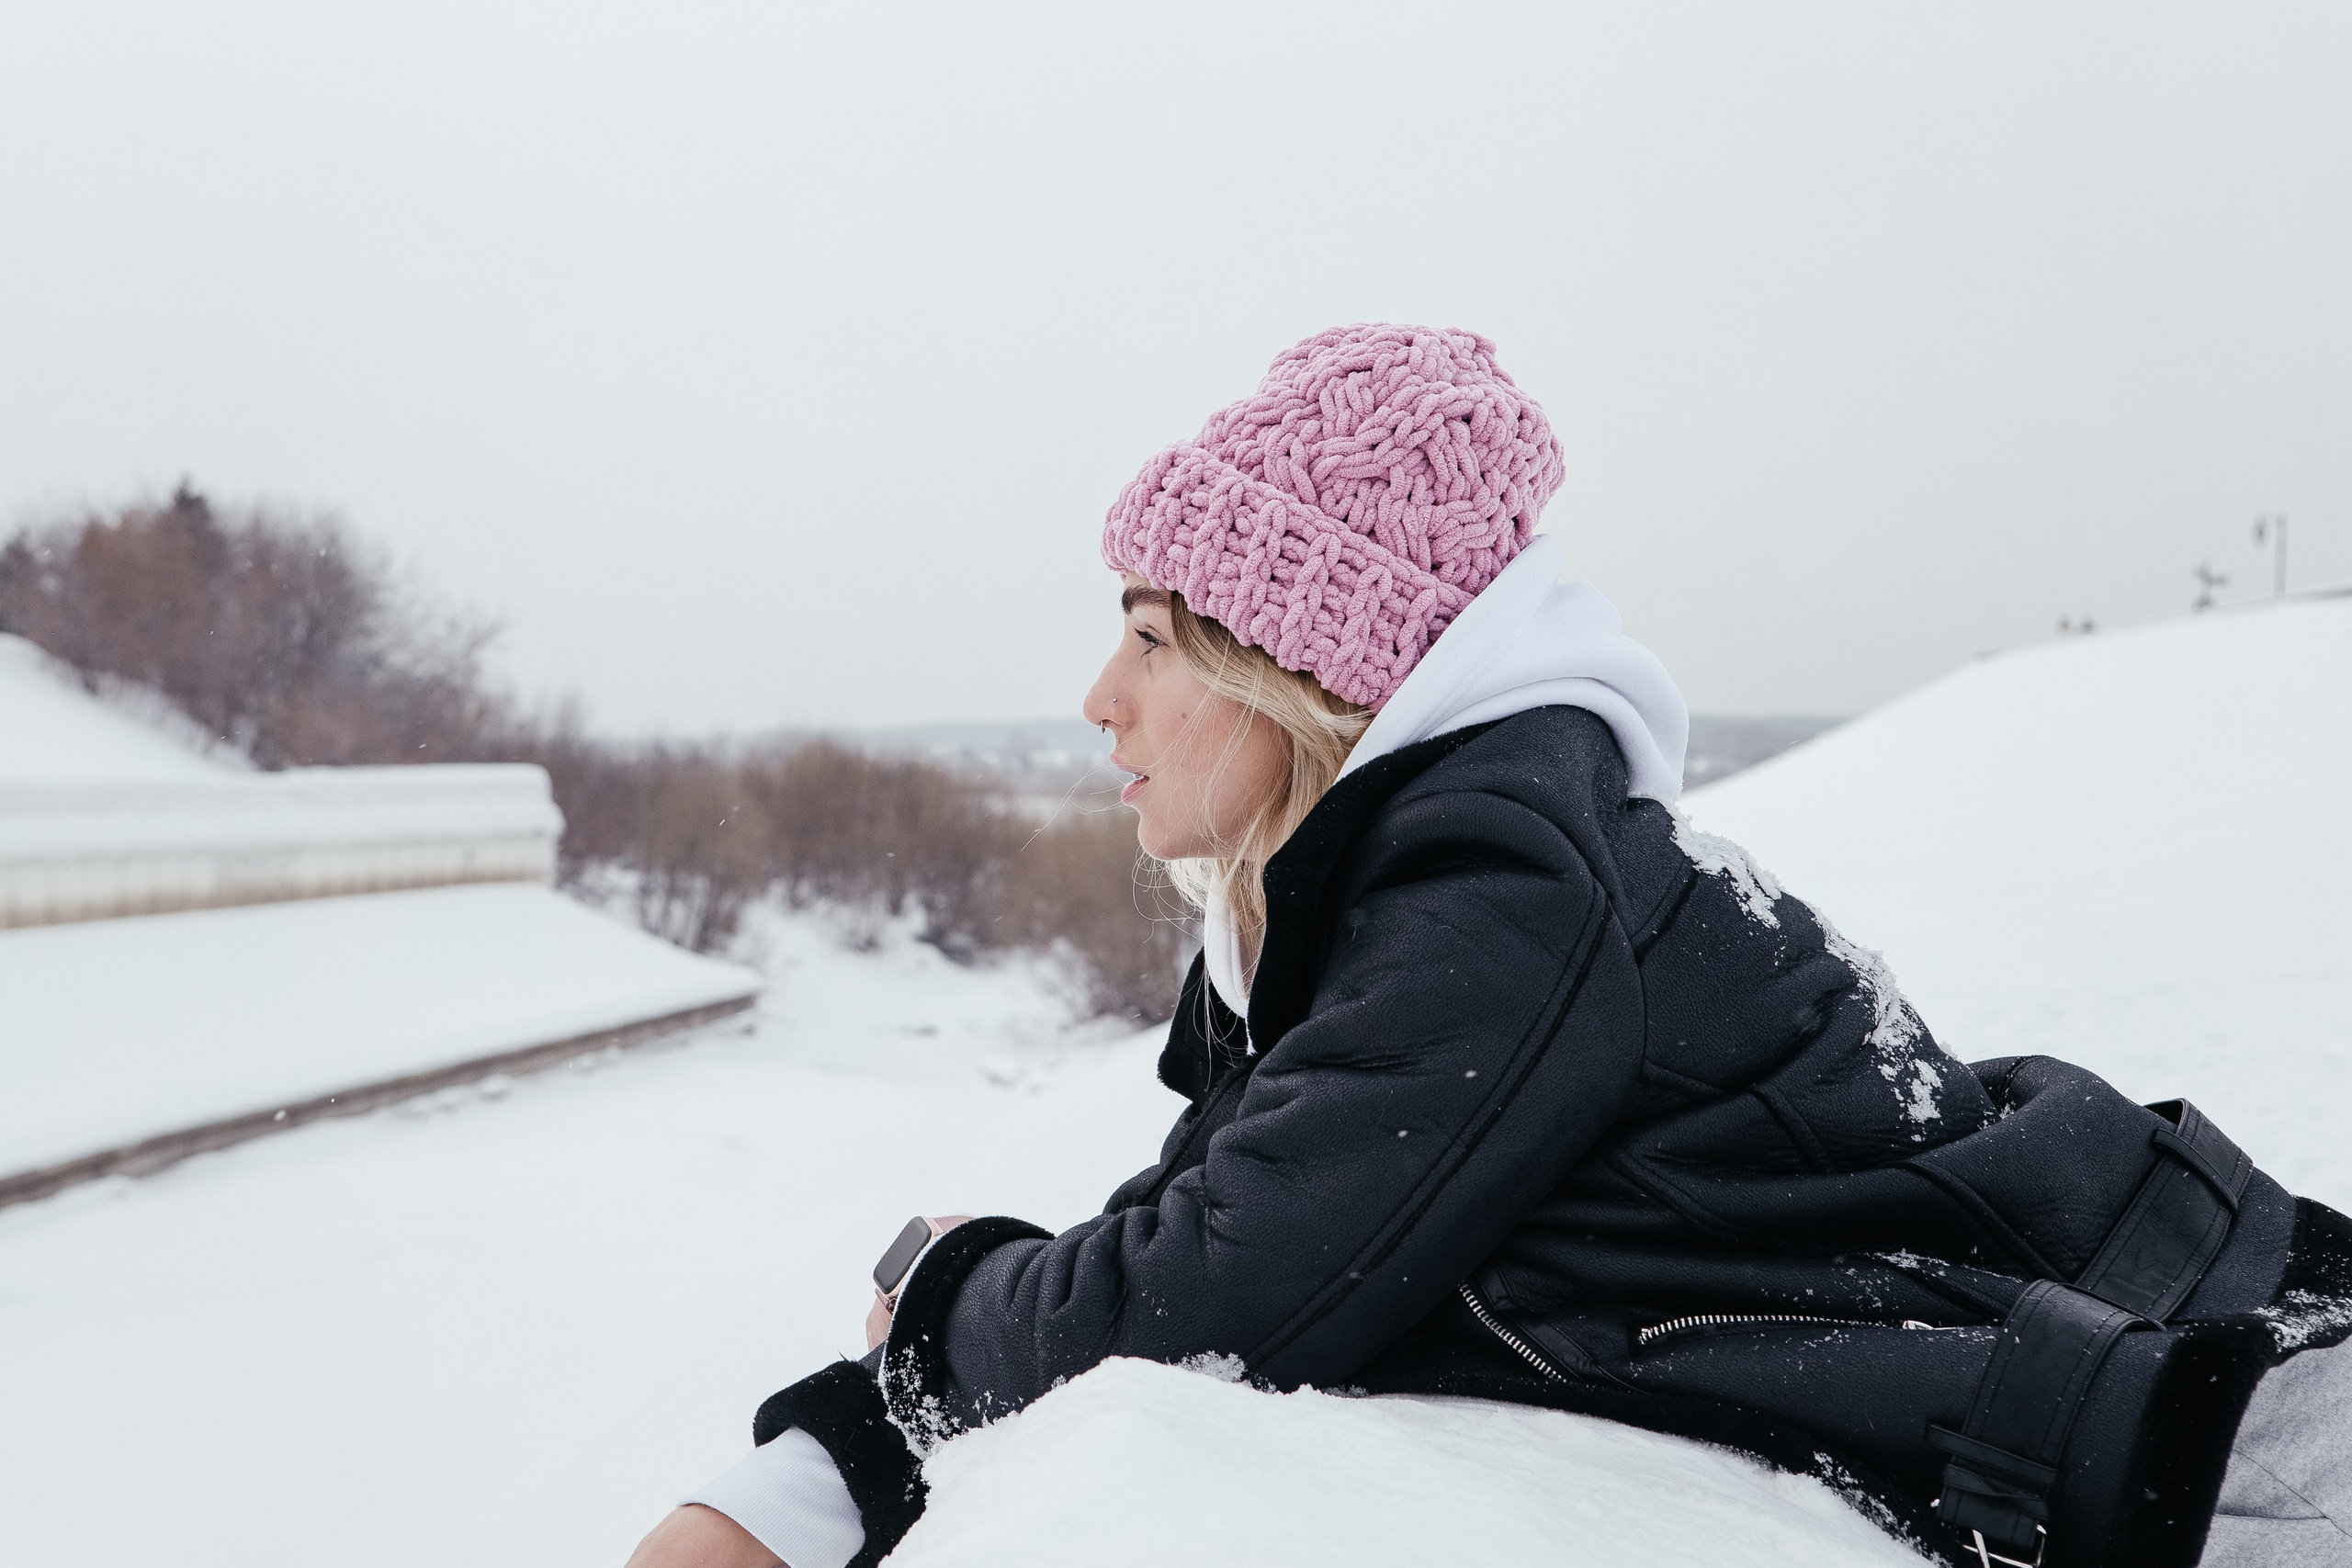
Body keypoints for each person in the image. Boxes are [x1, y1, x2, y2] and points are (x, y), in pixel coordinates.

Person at [627, 325, 2352, 1568]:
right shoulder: (1384, 892)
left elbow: (1226, 1289)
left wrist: (943, 1296)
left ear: (1295, 666)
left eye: (1151, 636)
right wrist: (835, 1459)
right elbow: (1223, 1232)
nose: (1101, 697)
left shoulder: (1496, 890)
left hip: (2221, 1426)